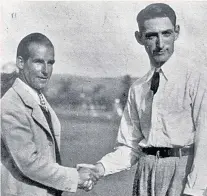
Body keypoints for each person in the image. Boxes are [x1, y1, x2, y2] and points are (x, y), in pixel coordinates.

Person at [78, 3, 207, 196]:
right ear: (139, 38)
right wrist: (100, 168)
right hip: (146, 174)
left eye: (166, 33)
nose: (160, 43)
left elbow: (205, 141)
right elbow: (130, 145)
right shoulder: (138, 88)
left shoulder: (196, 78)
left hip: (182, 174)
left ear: (177, 32)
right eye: (151, 35)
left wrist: (194, 191)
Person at [1, 33, 98, 196]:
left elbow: (45, 157)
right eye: (38, 62)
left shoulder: (38, 99)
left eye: (50, 63)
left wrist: (75, 174)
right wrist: (75, 177)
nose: (46, 71)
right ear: (21, 63)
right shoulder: (11, 105)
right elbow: (29, 163)